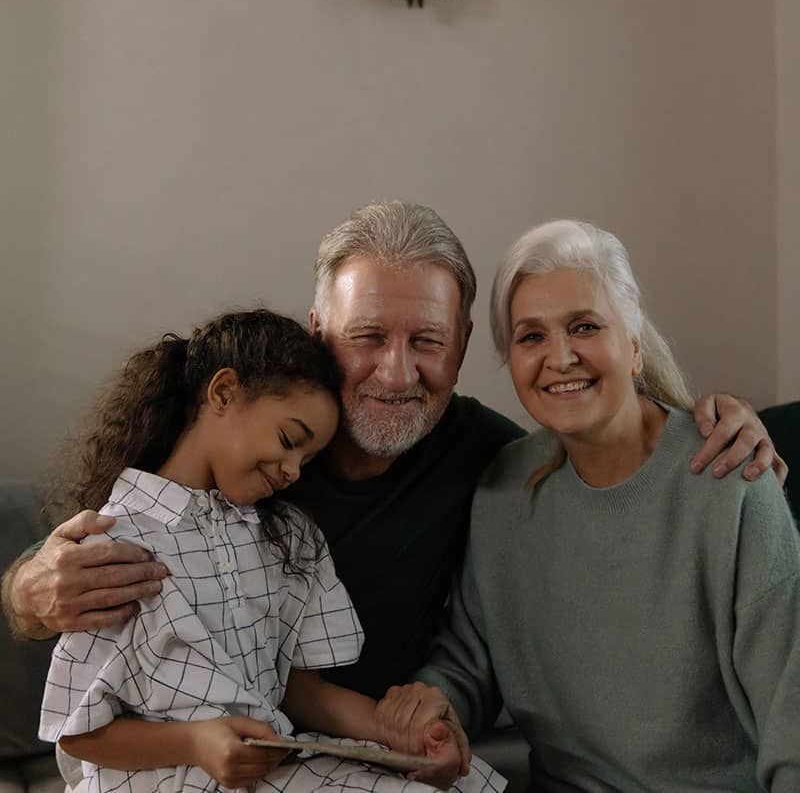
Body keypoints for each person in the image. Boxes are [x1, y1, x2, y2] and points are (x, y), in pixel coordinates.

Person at [2, 203, 786, 701]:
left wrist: (711, 417)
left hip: (383, 753)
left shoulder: (491, 454)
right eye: (369, 337)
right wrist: (27, 589)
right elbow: (90, 547)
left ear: (467, 346)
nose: (397, 372)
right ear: (318, 334)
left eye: (428, 342)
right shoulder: (249, 444)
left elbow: (609, 460)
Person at [376, 221, 800, 792]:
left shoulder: (733, 479)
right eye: (531, 337)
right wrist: (434, 702)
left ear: (633, 344)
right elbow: (469, 660)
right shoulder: (504, 487)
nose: (560, 357)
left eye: (584, 327)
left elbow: (791, 713)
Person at [38, 308, 499, 793]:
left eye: (308, 458)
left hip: (267, 767)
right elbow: (79, 734)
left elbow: (301, 693)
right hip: (161, 780)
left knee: (463, 783)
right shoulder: (111, 546)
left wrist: (401, 734)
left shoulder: (288, 535)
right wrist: (196, 743)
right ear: (223, 393)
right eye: (288, 440)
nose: (293, 471)